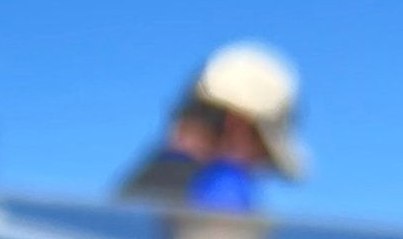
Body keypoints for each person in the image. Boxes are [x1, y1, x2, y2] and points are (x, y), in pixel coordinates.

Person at [117, 42, 307, 211]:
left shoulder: (134, 194)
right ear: (236, 128)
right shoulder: (223, 195)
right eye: (262, 156)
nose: (257, 172)